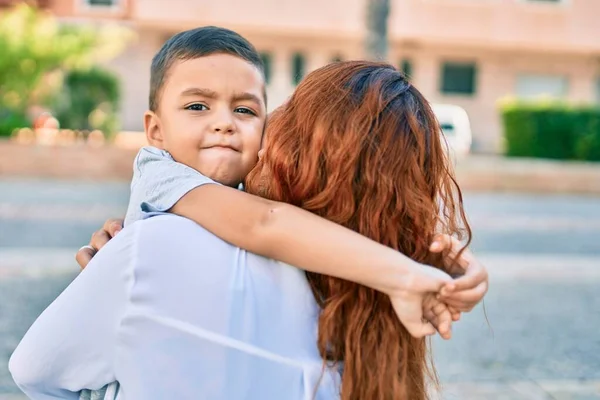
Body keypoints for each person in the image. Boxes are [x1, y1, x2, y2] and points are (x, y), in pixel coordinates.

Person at [10, 60, 487, 400]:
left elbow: (35, 370)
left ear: (294, 149)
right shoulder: (373, 321)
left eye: (258, 110)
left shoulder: (156, 246)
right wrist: (415, 268)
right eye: (198, 107)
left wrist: (114, 275)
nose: (232, 128)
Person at [75, 26, 487, 334]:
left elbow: (330, 219)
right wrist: (403, 273)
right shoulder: (158, 172)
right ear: (155, 130)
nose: (224, 124)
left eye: (245, 111)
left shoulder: (246, 190)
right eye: (198, 106)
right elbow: (265, 223)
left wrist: (438, 258)